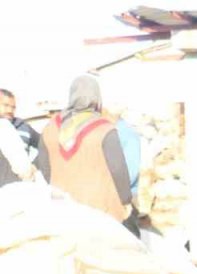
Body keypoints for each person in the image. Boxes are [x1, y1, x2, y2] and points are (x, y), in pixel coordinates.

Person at [36, 76, 132, 228]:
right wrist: (126, 199)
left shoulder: (50, 128)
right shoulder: (104, 128)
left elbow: (44, 167)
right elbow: (118, 168)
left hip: (62, 208)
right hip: (99, 210)